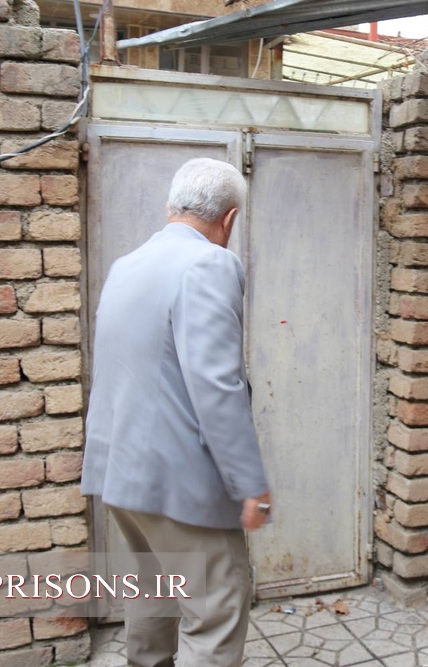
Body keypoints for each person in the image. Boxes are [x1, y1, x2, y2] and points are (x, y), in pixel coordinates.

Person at [81, 157, 271, 667]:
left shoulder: (128, 264)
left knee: (153, 595)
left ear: (171, 206)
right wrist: (250, 484)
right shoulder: (211, 262)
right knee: (214, 614)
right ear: (229, 219)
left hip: (122, 475)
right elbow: (217, 384)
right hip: (178, 484)